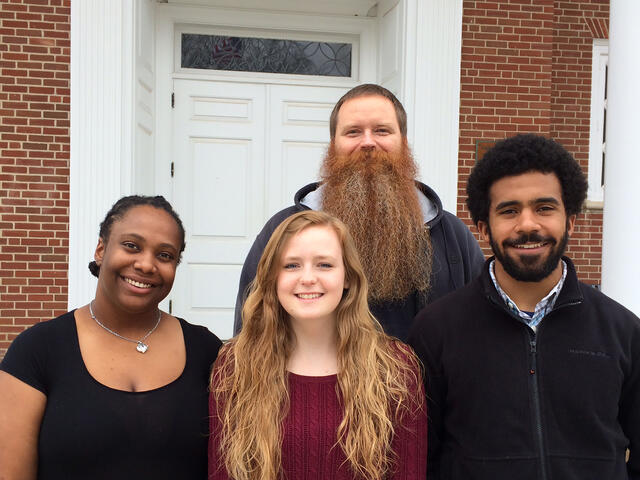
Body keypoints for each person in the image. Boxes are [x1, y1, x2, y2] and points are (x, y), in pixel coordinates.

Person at [408, 133, 640, 479]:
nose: (528, 225)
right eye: (509, 210)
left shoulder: (622, 330)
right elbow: (421, 460)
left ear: (571, 221)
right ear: (484, 228)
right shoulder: (436, 330)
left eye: (544, 208)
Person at [235, 83, 484, 340]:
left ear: (403, 141)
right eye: (353, 132)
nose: (368, 142)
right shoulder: (283, 229)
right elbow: (252, 326)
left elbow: (482, 329)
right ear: (333, 144)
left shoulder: (452, 235)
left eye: (382, 130)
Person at [0, 195, 223, 480]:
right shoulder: (37, 350)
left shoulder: (206, 351)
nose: (146, 264)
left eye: (165, 255)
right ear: (101, 249)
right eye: (131, 246)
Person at [209, 210, 427, 480]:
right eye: (291, 265)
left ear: (347, 277)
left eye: (324, 264)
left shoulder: (395, 368)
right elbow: (222, 472)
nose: (308, 278)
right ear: (272, 277)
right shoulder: (236, 365)